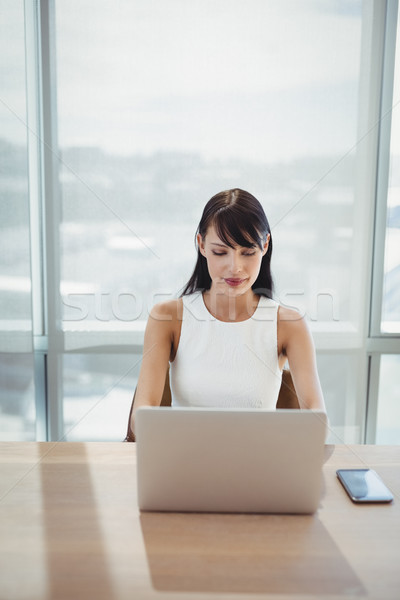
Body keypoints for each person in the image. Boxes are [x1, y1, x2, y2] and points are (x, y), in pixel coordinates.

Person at [129, 188, 325, 437]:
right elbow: (140, 416)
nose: (235, 267)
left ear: (265, 246)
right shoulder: (167, 318)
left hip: (259, 468)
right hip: (185, 465)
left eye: (248, 252)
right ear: (201, 244)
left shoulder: (289, 324)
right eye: (220, 252)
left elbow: (317, 421)